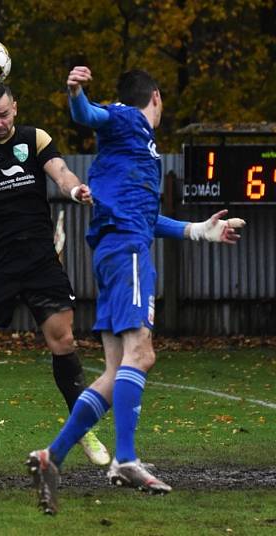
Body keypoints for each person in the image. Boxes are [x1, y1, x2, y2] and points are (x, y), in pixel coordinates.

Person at [26, 66, 246, 515]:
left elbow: (145, 216)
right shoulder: (129, 118)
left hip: (117, 249)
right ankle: (125, 459)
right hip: (126, 252)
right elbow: (91, 116)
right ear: (158, 97)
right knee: (142, 355)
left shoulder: (140, 150)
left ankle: (53, 457)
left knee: (112, 374)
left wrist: (199, 231)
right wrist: (75, 93)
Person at [0, 83, 110, 466]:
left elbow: (61, 172)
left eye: (4, 114)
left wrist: (75, 191)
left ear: (15, 108)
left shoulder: (35, 138)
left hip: (40, 261)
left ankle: (83, 429)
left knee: (63, 340)